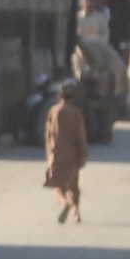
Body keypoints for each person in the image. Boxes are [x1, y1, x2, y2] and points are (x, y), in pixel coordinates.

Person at [43, 81, 89, 223]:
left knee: (57, 183)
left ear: (59, 95)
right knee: (73, 185)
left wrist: (49, 152)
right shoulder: (76, 112)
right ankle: (76, 212)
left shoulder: (54, 111)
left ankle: (64, 202)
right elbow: (81, 134)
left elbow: (49, 133)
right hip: (73, 153)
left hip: (56, 152)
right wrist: (83, 154)